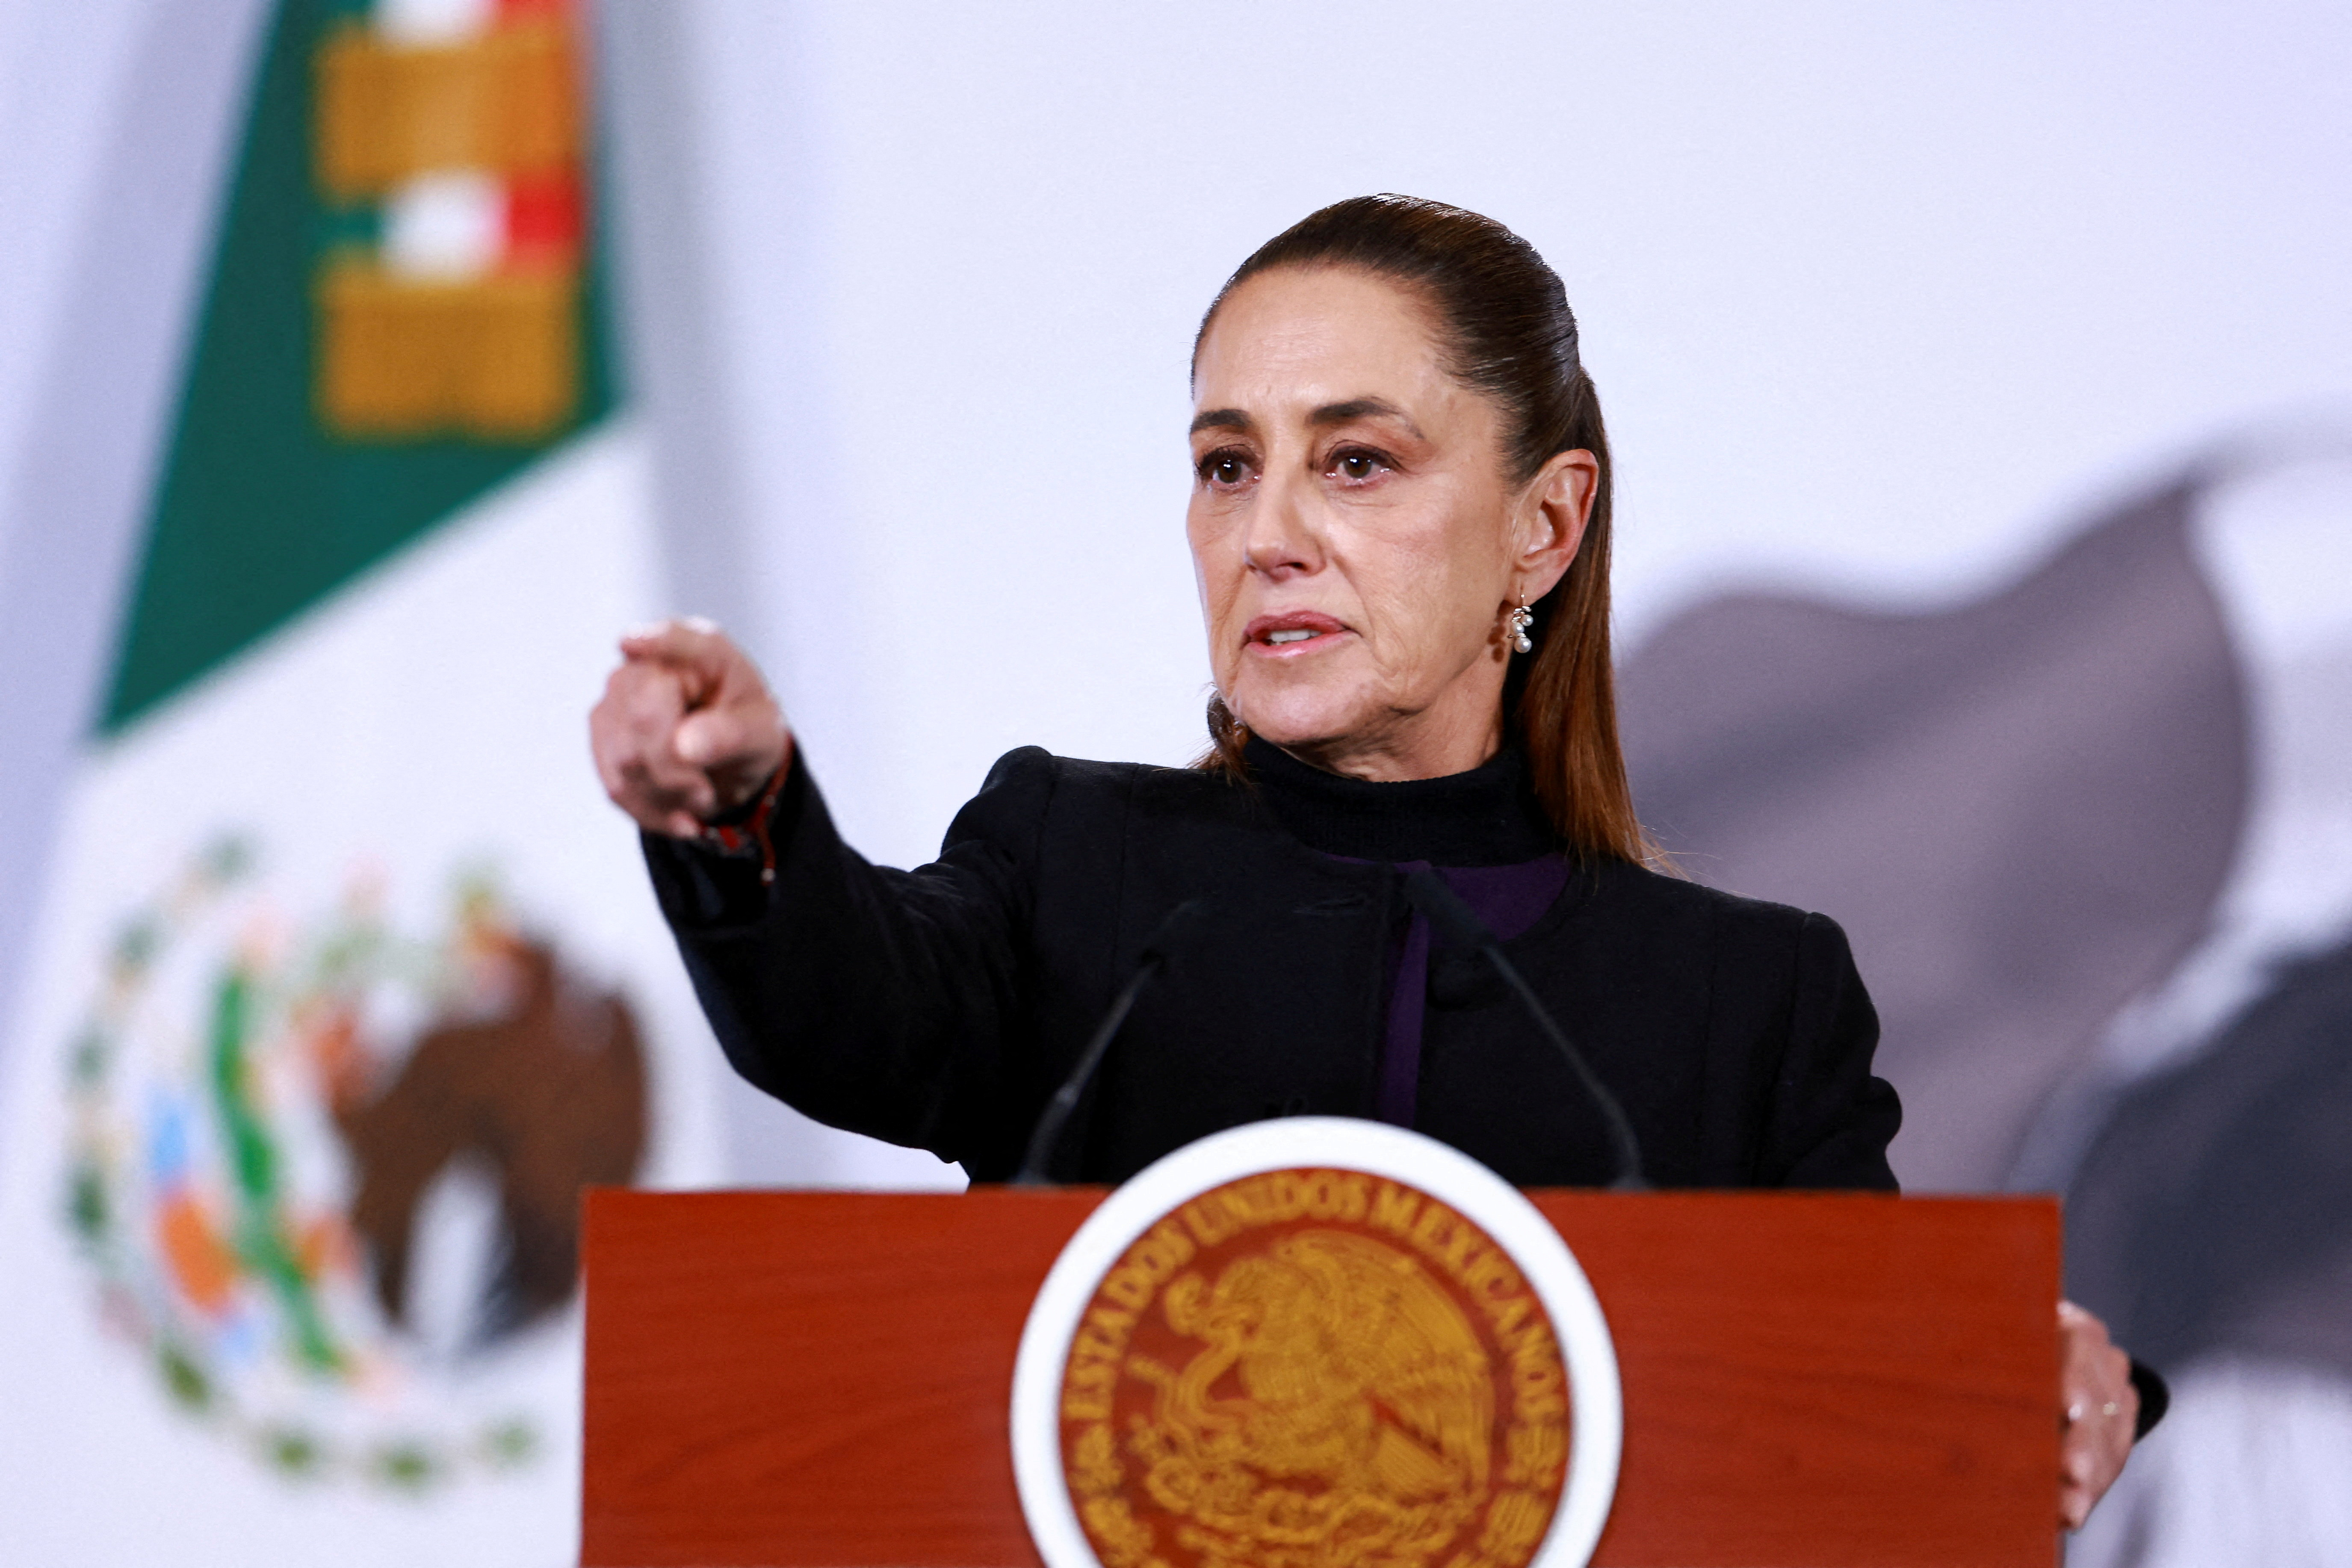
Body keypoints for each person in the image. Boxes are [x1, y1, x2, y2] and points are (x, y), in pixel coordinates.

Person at [590, 194, 2154, 1527]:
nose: (1266, 531)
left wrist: (2051, 1377)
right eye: (1224, 464)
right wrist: (741, 812)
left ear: (1542, 527)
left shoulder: (1741, 1000)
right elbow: (844, 1005)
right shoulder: (1081, 869)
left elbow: (1877, 1404)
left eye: (1354, 463)